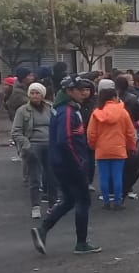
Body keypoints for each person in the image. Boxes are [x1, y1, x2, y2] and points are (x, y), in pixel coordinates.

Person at [32, 77, 100, 255]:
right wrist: (79, 163)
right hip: (70, 164)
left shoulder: (60, 109)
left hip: (60, 162)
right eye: (79, 89)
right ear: (69, 92)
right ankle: (82, 243)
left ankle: (43, 229)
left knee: (69, 200)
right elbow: (66, 141)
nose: (83, 93)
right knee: (83, 201)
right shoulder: (67, 112)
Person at [87, 78, 137, 209]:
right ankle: (117, 201)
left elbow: (91, 133)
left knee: (103, 176)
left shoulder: (96, 113)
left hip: (102, 149)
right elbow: (130, 132)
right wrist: (132, 146)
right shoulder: (123, 112)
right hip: (119, 149)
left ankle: (106, 201)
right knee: (117, 176)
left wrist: (93, 146)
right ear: (115, 97)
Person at [12, 81, 57, 220]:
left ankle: (52, 205)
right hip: (33, 145)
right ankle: (35, 206)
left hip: (50, 145)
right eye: (32, 93)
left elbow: (56, 126)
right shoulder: (22, 111)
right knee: (35, 178)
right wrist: (26, 145)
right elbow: (16, 132)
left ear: (42, 95)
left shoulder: (50, 108)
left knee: (52, 177)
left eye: (37, 93)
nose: (35, 95)